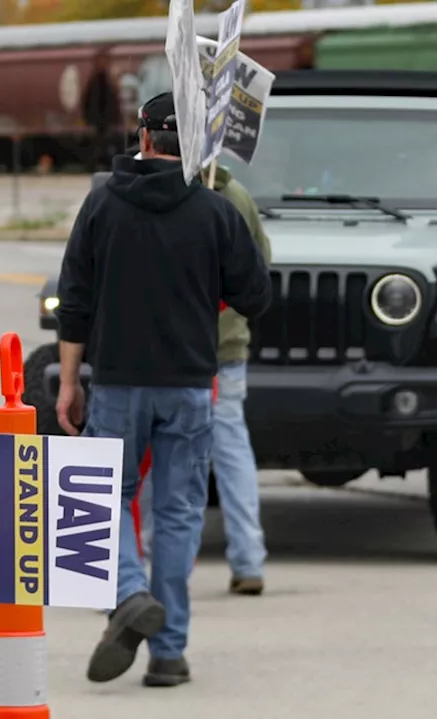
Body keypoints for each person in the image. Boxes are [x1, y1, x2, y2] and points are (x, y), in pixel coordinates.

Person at [53, 91, 272, 688]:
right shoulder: (216, 210)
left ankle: (127, 594)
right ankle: (169, 653)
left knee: (107, 501)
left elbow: (73, 303)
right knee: (176, 514)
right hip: (191, 386)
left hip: (120, 383)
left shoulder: (101, 205)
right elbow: (258, 296)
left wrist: (70, 382)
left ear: (142, 137)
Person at [135, 162, 273, 596]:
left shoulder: (181, 202)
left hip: (175, 352)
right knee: (232, 451)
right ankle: (248, 558)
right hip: (226, 348)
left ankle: (156, 556)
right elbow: (260, 263)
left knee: (160, 454)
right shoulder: (240, 199)